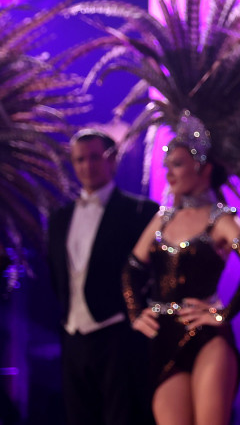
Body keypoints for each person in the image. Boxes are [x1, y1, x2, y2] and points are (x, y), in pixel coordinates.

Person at [122, 114, 240, 425]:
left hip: (205, 336)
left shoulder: (221, 219)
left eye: (176, 164)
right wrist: (137, 312)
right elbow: (131, 268)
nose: (168, 173)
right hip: (163, 336)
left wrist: (223, 314)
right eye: (167, 164)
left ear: (202, 167)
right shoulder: (163, 219)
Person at [47, 129, 158, 425]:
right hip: (73, 337)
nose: (87, 166)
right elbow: (58, 277)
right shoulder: (59, 218)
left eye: (94, 157)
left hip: (120, 336)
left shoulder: (141, 211)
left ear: (112, 160)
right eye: (79, 160)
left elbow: (155, 273)